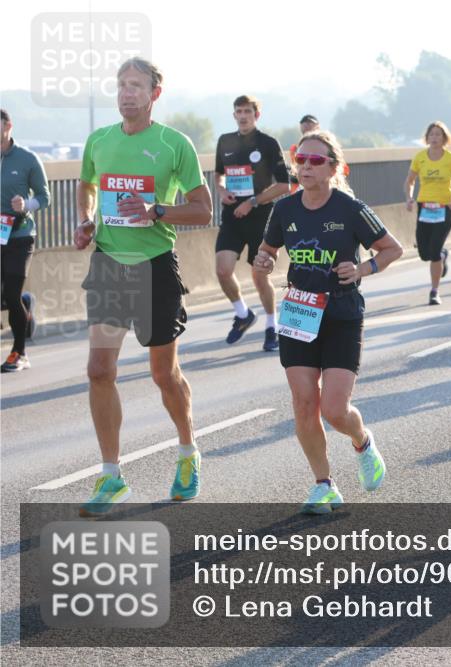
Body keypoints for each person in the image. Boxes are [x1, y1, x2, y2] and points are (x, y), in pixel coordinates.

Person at [73, 57, 213, 516]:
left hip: (154, 265)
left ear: (155, 93)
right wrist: (86, 220)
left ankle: (188, 451)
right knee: (99, 370)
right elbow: (87, 185)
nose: (126, 93)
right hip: (110, 263)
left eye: (136, 85)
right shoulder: (100, 139)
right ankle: (111, 475)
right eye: (121, 85)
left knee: (162, 375)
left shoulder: (174, 144)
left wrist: (157, 210)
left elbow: (202, 209)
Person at [253, 130, 403, 513]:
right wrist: (265, 261)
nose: (304, 166)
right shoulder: (284, 209)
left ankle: (362, 441)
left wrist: (364, 268)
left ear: (333, 167)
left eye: (315, 161)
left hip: (341, 313)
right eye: (299, 160)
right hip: (300, 312)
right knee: (304, 403)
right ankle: (324, 484)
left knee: (334, 409)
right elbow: (266, 252)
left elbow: (392, 249)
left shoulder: (349, 208)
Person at [214, 95, 291, 350]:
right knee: (223, 270)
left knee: (259, 277)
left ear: (256, 115)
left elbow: (283, 185)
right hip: (233, 217)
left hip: (260, 218)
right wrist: (222, 190)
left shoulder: (268, 143)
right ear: (234, 115)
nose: (243, 115)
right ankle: (243, 314)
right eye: (239, 111)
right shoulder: (225, 141)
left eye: (248, 111)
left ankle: (272, 326)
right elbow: (219, 175)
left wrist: (253, 202)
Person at [1, 109, 49, 373]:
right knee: (8, 295)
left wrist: (25, 204)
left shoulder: (27, 159)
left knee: (10, 292)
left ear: (8, 125)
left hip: (20, 234)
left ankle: (19, 353)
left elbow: (45, 196)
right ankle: (25, 303)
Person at [404, 121, 451, 305]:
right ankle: (442, 255)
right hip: (424, 207)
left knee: (433, 253)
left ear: (444, 138)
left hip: (444, 208)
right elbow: (409, 181)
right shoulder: (420, 158)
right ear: (427, 137)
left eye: (438, 135)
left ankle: (434, 291)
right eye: (431, 134)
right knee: (424, 254)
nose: (434, 138)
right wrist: (409, 198)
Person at [289, 114, 321, 194]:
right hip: (303, 185)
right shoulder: (295, 149)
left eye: (310, 123)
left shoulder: (325, 147)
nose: (307, 125)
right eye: (305, 123)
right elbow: (295, 172)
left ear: (318, 126)